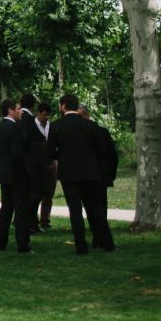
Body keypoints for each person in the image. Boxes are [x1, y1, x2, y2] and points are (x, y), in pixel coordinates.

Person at [46, 94, 118, 254]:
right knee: (95, 209)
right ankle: (107, 242)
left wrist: (63, 156)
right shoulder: (90, 126)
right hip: (90, 173)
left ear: (63, 106)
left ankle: (81, 246)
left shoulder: (56, 126)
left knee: (75, 210)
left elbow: (49, 152)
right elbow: (100, 151)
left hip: (69, 174)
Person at [0, 98, 33, 252]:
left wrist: (3, 166)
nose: (21, 111)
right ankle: (23, 244)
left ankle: (0, 243)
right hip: (18, 175)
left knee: (6, 209)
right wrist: (26, 170)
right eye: (18, 108)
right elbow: (18, 154)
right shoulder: (15, 128)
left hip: (5, 174)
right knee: (21, 210)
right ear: (10, 110)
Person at [17, 94, 49, 236]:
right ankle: (28, 222)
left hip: (26, 164)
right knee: (37, 193)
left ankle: (30, 222)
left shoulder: (19, 119)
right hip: (34, 164)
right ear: (33, 105)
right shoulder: (29, 120)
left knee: (33, 193)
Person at [35, 102, 57, 231]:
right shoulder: (33, 125)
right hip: (38, 162)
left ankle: (45, 219)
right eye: (44, 115)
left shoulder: (51, 126)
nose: (46, 118)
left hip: (51, 162)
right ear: (39, 113)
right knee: (37, 191)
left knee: (49, 192)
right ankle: (33, 218)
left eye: (48, 115)